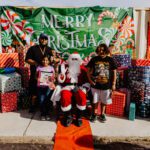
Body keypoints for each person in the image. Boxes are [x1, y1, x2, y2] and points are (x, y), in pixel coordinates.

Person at [87, 43, 117, 122]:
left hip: (107, 85)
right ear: (97, 50)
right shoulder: (94, 59)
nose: (101, 51)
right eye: (99, 50)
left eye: (103, 50)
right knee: (95, 101)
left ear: (106, 50)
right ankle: (94, 114)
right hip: (95, 85)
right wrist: (90, 80)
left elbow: (114, 72)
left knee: (104, 101)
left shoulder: (110, 60)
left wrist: (113, 84)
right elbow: (88, 71)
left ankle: (102, 114)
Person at [57, 52, 88, 127]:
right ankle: (68, 116)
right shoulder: (64, 68)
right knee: (64, 95)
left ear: (79, 60)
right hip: (67, 86)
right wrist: (62, 75)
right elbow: (61, 80)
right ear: (69, 59)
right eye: (72, 59)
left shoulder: (83, 68)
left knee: (81, 96)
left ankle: (79, 117)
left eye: (76, 59)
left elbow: (87, 81)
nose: (74, 60)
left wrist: (84, 88)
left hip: (79, 86)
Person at [25, 33, 52, 113]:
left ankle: (46, 106)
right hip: (35, 74)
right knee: (34, 92)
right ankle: (33, 106)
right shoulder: (33, 49)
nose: (44, 40)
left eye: (45, 39)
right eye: (42, 39)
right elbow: (27, 59)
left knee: (46, 91)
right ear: (39, 39)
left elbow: (56, 58)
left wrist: (54, 59)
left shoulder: (50, 49)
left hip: (46, 75)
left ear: (47, 40)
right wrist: (36, 63)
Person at [36, 55, 55, 121]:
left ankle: (47, 113)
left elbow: (53, 78)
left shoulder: (51, 68)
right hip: (40, 87)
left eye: (46, 60)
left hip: (48, 87)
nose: (45, 61)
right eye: (43, 60)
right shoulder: (39, 68)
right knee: (41, 100)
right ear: (41, 60)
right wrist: (38, 79)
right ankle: (43, 114)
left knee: (47, 100)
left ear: (49, 61)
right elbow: (36, 77)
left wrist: (52, 81)